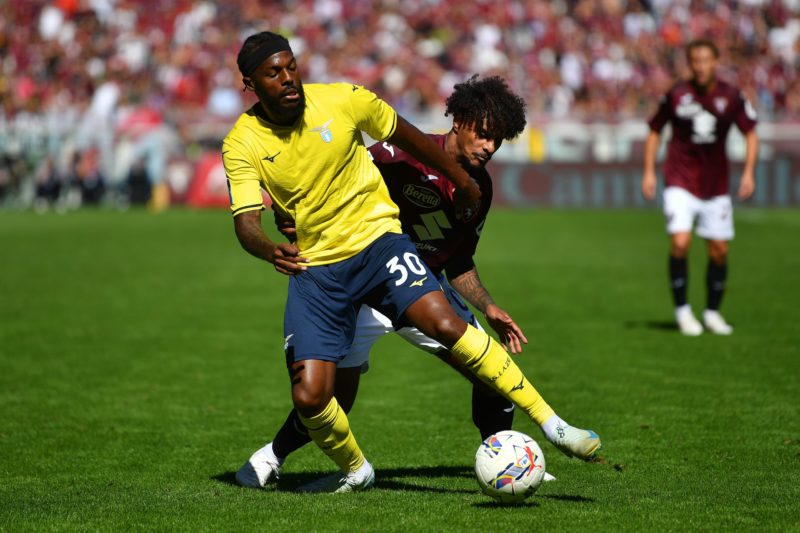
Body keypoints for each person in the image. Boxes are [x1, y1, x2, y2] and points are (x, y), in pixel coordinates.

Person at [223, 31, 601, 493]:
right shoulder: (383, 157)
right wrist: (284, 224)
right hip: (338, 274)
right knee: (325, 394)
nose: (488, 147)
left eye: (498, 141)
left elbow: (459, 258)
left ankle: (513, 451)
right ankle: (280, 456)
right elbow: (306, 187)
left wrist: (489, 305)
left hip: (400, 270)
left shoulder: (475, 189)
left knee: (479, 359)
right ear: (459, 122)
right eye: (483, 134)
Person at [641, 39, 758, 336]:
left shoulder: (731, 96)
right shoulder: (677, 94)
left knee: (718, 250)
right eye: (695, 60)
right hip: (679, 181)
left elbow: (751, 133)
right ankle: (683, 311)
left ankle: (712, 313)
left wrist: (748, 173)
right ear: (689, 63)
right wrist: (649, 172)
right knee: (680, 242)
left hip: (715, 186)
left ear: (716, 61)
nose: (701, 66)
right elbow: (655, 130)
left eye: (706, 60)